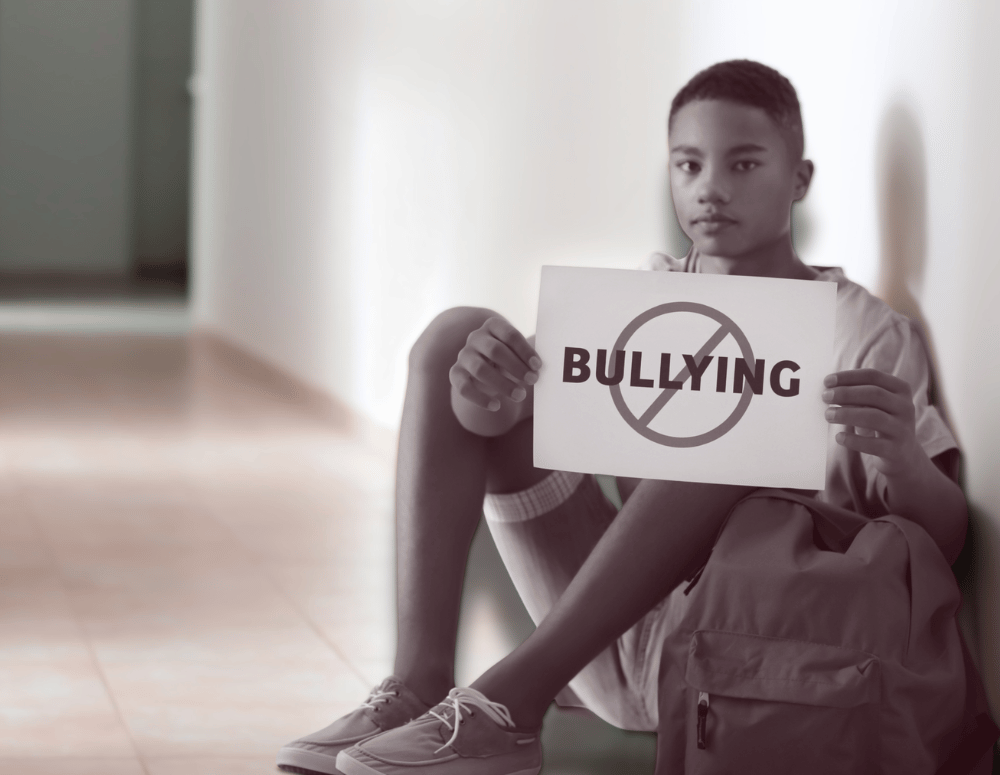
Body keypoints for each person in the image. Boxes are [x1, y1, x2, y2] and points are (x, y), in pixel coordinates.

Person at [276, 59, 968, 775]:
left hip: (750, 650)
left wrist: (903, 461)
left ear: (799, 180)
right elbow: (490, 437)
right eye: (689, 165)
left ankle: (509, 704)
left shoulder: (865, 331)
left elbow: (943, 541)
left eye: (743, 163)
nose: (710, 188)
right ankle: (418, 687)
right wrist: (488, 405)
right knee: (455, 337)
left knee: (730, 436)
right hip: (611, 634)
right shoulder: (644, 304)